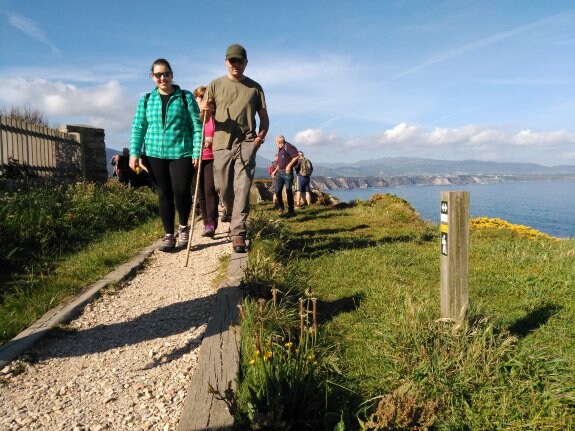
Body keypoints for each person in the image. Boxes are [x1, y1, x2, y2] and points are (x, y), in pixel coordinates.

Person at [201, 44, 269, 253]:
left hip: (247, 143)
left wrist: (259, 139)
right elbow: (205, 118)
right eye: (232, 61)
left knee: (243, 187)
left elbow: (264, 119)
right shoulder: (214, 85)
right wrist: (204, 110)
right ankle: (230, 214)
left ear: (246, 62)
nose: (236, 64)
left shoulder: (255, 88)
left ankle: (238, 232)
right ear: (226, 62)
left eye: (239, 61)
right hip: (221, 144)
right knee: (223, 188)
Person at [129, 58, 202, 252]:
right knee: (163, 194)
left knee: (181, 191)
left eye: (166, 74)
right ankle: (169, 235)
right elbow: (138, 127)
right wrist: (134, 153)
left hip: (182, 152)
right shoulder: (146, 100)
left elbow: (197, 126)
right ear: (152, 77)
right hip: (154, 154)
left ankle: (184, 227)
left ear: (172, 75)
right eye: (158, 75)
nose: (163, 78)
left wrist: (197, 151)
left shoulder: (185, 97)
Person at [193, 86, 218, 238]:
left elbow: (223, 137)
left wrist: (213, 140)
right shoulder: (194, 118)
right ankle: (206, 223)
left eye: (206, 98)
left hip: (212, 158)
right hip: (196, 157)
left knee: (210, 189)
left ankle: (212, 223)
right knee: (200, 192)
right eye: (200, 98)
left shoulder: (216, 119)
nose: (203, 101)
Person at [274, 135, 299, 217]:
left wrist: (289, 166)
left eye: (276, 141)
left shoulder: (288, 146)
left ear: (278, 142)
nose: (275, 142)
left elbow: (296, 156)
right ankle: (281, 207)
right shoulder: (280, 148)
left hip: (287, 173)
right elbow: (280, 162)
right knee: (277, 191)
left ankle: (291, 210)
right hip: (279, 173)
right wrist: (275, 171)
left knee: (288, 191)